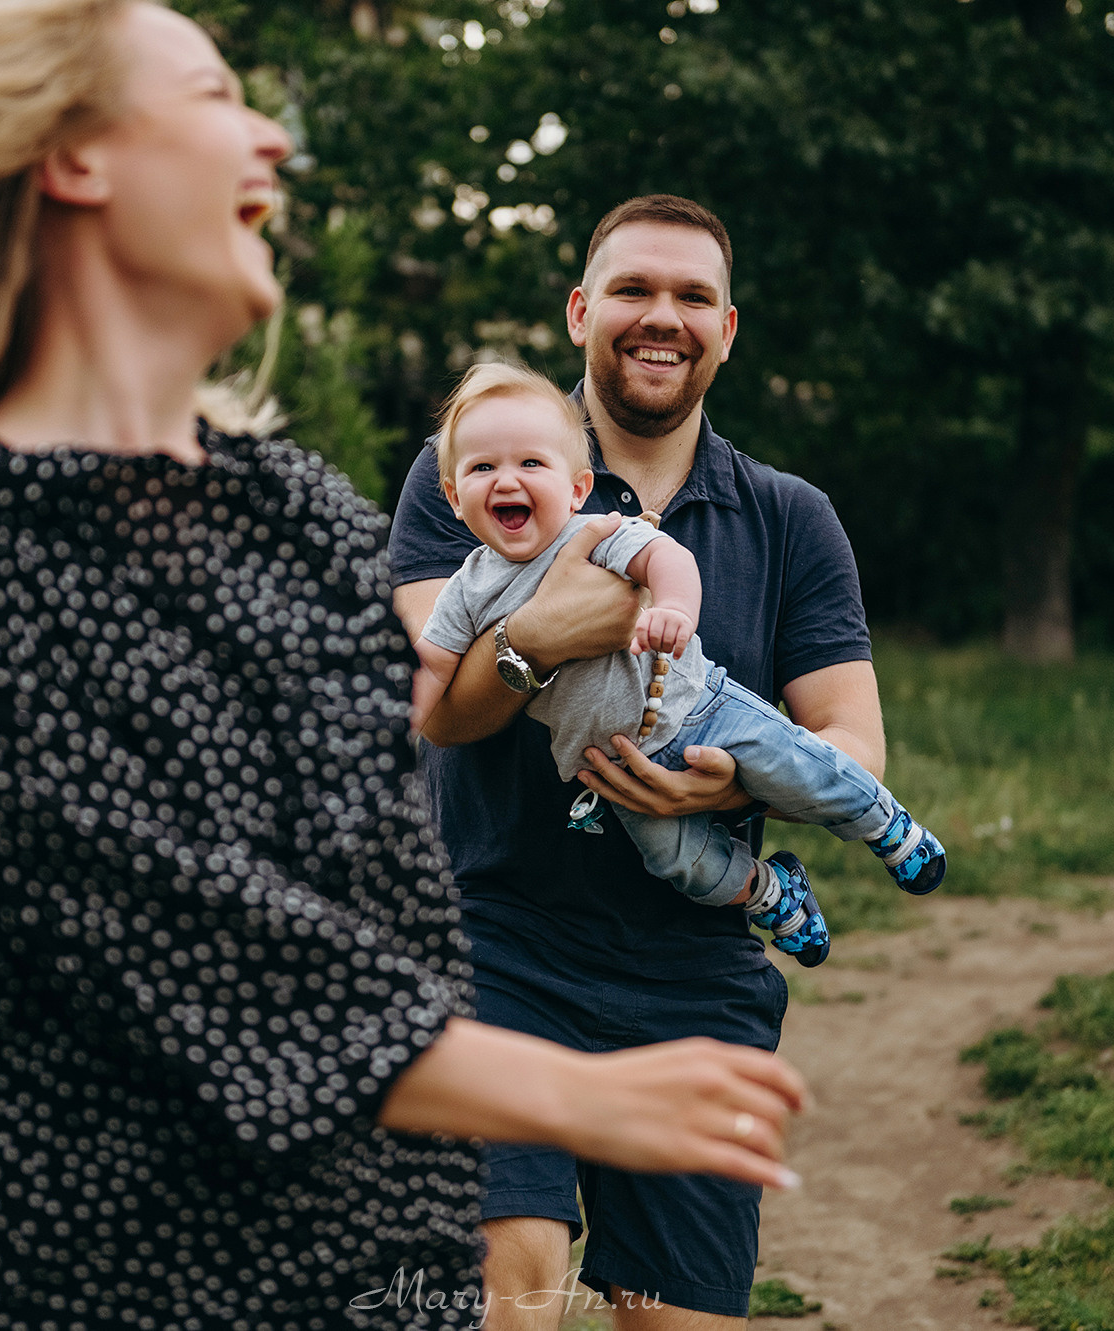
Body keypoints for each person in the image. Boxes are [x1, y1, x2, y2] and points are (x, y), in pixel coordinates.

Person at [0, 7, 808, 1328]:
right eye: (215, 95)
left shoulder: (294, 510)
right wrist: (573, 1087)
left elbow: (386, 909)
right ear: (75, 159)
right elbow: (175, 928)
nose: (271, 134)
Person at [391, 197, 885, 1327]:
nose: (658, 317)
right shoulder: (477, 468)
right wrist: (544, 631)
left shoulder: (790, 519)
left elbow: (852, 744)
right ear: (578, 311)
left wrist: (737, 776)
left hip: (691, 969)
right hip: (487, 934)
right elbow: (440, 711)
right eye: (630, 290)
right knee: (503, 1300)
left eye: (689, 297)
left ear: (725, 328)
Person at [409, 363, 945, 969]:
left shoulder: (592, 534)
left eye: (531, 465)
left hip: (698, 712)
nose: (507, 479)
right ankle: (770, 893)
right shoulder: (467, 588)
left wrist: (673, 609)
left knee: (796, 763)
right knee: (679, 863)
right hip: (617, 768)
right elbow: (431, 664)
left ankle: (887, 826)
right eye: (483, 469)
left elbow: (666, 556)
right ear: (453, 497)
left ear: (577, 487)